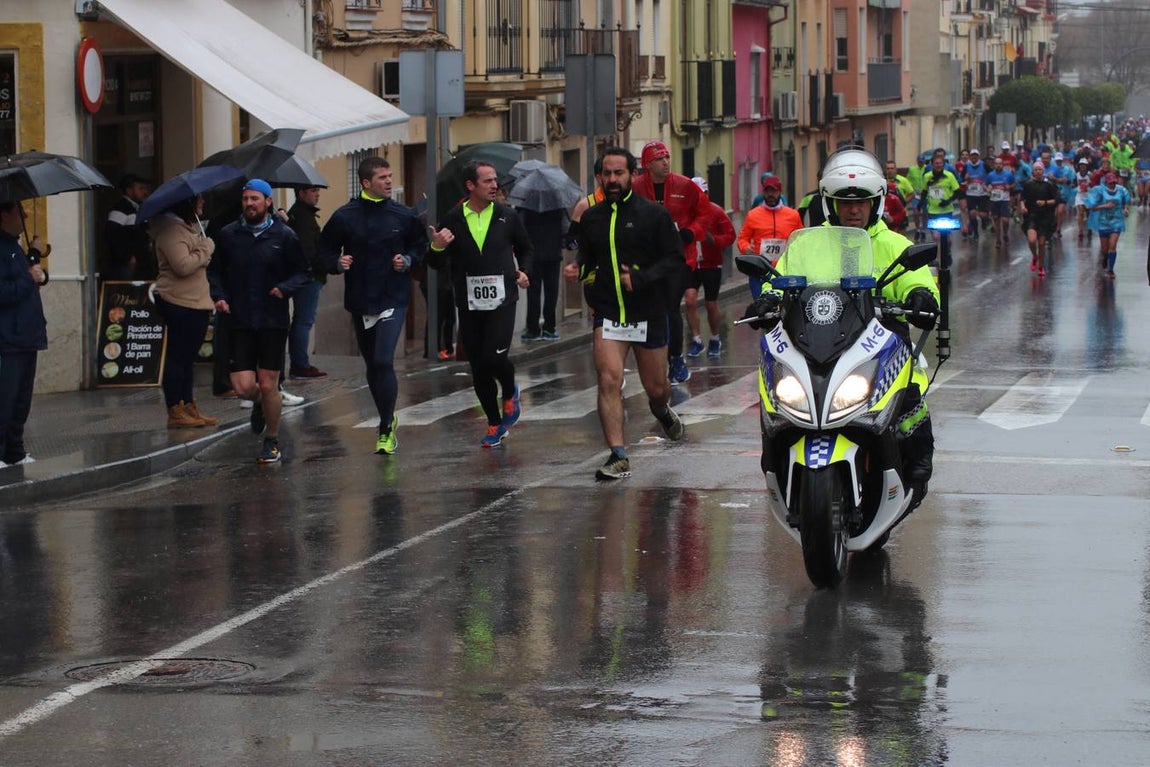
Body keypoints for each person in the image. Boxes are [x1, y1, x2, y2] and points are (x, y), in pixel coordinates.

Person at [745, 148, 940, 508]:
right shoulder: (807, 244)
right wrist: (767, 299)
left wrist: (920, 296)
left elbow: (919, 279)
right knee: (776, 396)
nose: (853, 210)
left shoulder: (895, 245)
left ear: (875, 203)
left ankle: (915, 467)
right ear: (830, 203)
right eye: (845, 202)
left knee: (911, 397)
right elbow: (780, 278)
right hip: (815, 344)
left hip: (880, 346)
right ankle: (777, 460)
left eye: (861, 202)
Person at [563, 147, 685, 480]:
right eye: (607, 173)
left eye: (619, 173)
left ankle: (661, 410)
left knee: (656, 388)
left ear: (633, 174)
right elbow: (589, 259)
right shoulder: (591, 218)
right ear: (599, 177)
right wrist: (578, 269)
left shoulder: (654, 215)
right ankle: (618, 455)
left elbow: (675, 260)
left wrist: (641, 278)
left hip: (648, 313)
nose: (612, 179)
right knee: (608, 380)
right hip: (608, 313)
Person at [318, 157, 426, 454]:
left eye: (390, 176)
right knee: (372, 365)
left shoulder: (403, 215)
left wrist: (408, 260)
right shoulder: (344, 216)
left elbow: (420, 247)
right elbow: (324, 251)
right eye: (382, 178)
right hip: (361, 299)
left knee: (382, 360)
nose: (389, 181)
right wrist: (336, 263)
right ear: (366, 183)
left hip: (393, 296)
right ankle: (387, 415)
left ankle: (385, 427)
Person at [427, 161, 533, 448]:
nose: (494, 185)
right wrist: (437, 246)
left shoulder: (507, 216)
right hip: (469, 303)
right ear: (470, 186)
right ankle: (494, 423)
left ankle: (509, 390)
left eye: (495, 180)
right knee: (478, 366)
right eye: (487, 181)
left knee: (493, 358)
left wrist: (524, 271)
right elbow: (434, 262)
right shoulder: (453, 218)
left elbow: (526, 248)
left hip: (503, 300)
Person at [208, 179, 312, 464]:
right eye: (245, 199)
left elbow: (303, 272)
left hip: (271, 319)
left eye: (255, 199)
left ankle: (272, 440)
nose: (249, 204)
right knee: (243, 387)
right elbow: (215, 272)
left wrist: (284, 288)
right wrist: (219, 296)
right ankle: (260, 404)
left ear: (268, 201)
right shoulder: (229, 235)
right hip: (238, 320)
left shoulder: (284, 235)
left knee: (268, 385)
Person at [631, 140, 710, 385]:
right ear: (647, 164)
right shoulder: (635, 188)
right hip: (647, 260)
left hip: (679, 258)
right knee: (652, 309)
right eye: (659, 159)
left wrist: (691, 232)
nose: (665, 162)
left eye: (667, 157)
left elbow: (705, 213)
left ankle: (676, 359)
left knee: (670, 307)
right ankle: (656, 357)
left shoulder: (685, 185)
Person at [149, 194, 219, 429]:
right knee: (178, 358)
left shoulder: (187, 228)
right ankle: (175, 409)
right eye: (198, 200)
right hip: (179, 301)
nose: (202, 203)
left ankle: (189, 404)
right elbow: (182, 265)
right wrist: (206, 248)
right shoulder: (171, 230)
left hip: (195, 301)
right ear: (186, 203)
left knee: (188, 359)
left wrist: (202, 248)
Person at [0, 201, 48, 467]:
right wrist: (28, 278)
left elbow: (27, 278)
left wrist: (35, 265)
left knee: (21, 399)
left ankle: (15, 450)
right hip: (9, 337)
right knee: (5, 398)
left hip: (27, 334)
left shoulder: (14, 246)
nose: (25, 216)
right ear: (4, 215)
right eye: (19, 212)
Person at [685, 176, 735, 358]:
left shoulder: (716, 212)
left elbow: (730, 236)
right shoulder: (683, 213)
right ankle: (697, 340)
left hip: (711, 263)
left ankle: (715, 338)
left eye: (702, 194)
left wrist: (714, 240)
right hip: (691, 263)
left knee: (710, 303)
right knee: (689, 301)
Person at [736, 174, 802, 298]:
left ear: (780, 192)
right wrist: (746, 248)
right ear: (763, 192)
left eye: (774, 191)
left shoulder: (793, 215)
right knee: (760, 304)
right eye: (767, 191)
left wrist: (795, 251)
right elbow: (742, 238)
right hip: (759, 270)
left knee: (784, 304)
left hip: (784, 269)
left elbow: (800, 238)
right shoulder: (753, 215)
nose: (770, 195)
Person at [285, 186, 327, 378]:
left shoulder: (299, 214)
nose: (317, 194)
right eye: (313, 190)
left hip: (305, 274)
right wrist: (318, 267)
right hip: (308, 276)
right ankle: (300, 364)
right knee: (304, 320)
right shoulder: (302, 216)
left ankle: (300, 362)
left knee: (301, 320)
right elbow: (308, 249)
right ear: (301, 193)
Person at [519, 207, 565, 342]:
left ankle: (533, 329)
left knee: (533, 292)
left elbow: (520, 229)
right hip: (553, 254)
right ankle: (549, 328)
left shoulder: (526, 206)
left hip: (533, 255)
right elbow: (566, 228)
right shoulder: (558, 206)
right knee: (552, 292)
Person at [102, 173, 153, 281]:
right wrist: (127, 257)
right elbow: (111, 235)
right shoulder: (121, 209)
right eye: (141, 188)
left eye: (146, 188)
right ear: (129, 190)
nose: (145, 192)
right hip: (127, 265)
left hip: (141, 263)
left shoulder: (138, 208)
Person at [1085, 172, 1131, 278]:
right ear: (1106, 182)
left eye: (1114, 182)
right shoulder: (1100, 191)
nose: (1112, 185)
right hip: (1103, 223)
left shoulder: (1122, 190)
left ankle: (1111, 270)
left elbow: (1126, 203)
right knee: (1104, 249)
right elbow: (1092, 207)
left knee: (1112, 246)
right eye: (1110, 183)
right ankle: (1106, 257)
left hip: (1117, 222)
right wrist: (1105, 206)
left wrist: (1126, 209)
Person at [1018, 161, 1060, 278]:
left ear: (1043, 171)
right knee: (1032, 240)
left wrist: (1045, 202)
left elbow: (1056, 200)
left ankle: (1041, 267)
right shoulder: (1028, 184)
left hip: (1046, 217)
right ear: (1033, 171)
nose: (1038, 172)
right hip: (1032, 216)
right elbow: (1022, 198)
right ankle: (1035, 256)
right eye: (1036, 170)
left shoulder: (1049, 185)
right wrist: (1023, 207)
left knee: (1041, 243)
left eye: (1040, 169)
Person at [920, 153, 961, 243]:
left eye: (940, 163)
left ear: (943, 164)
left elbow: (957, 192)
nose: (938, 165)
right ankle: (938, 252)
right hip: (932, 210)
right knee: (936, 237)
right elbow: (924, 192)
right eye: (936, 163)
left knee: (948, 239)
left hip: (947, 210)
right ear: (932, 164)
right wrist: (920, 205)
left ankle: (948, 250)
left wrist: (948, 201)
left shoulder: (949, 176)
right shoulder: (927, 176)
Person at [986, 156, 1016, 249]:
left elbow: (1015, 183)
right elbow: (985, 185)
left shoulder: (1008, 174)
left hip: (1004, 200)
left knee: (1005, 220)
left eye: (1000, 164)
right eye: (996, 164)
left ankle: (1005, 233)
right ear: (994, 165)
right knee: (996, 220)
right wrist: (988, 189)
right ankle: (998, 240)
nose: (998, 165)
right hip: (994, 200)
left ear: (1002, 165)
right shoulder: (990, 175)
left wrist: (1009, 187)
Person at [961, 149, 989, 241]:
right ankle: (976, 233)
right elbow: (961, 179)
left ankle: (984, 220)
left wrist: (988, 186)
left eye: (976, 156)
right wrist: (965, 178)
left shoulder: (984, 165)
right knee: (972, 213)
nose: (974, 157)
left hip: (982, 194)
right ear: (970, 157)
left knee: (982, 214)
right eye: (972, 155)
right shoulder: (966, 166)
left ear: (978, 157)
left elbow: (991, 175)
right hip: (970, 194)